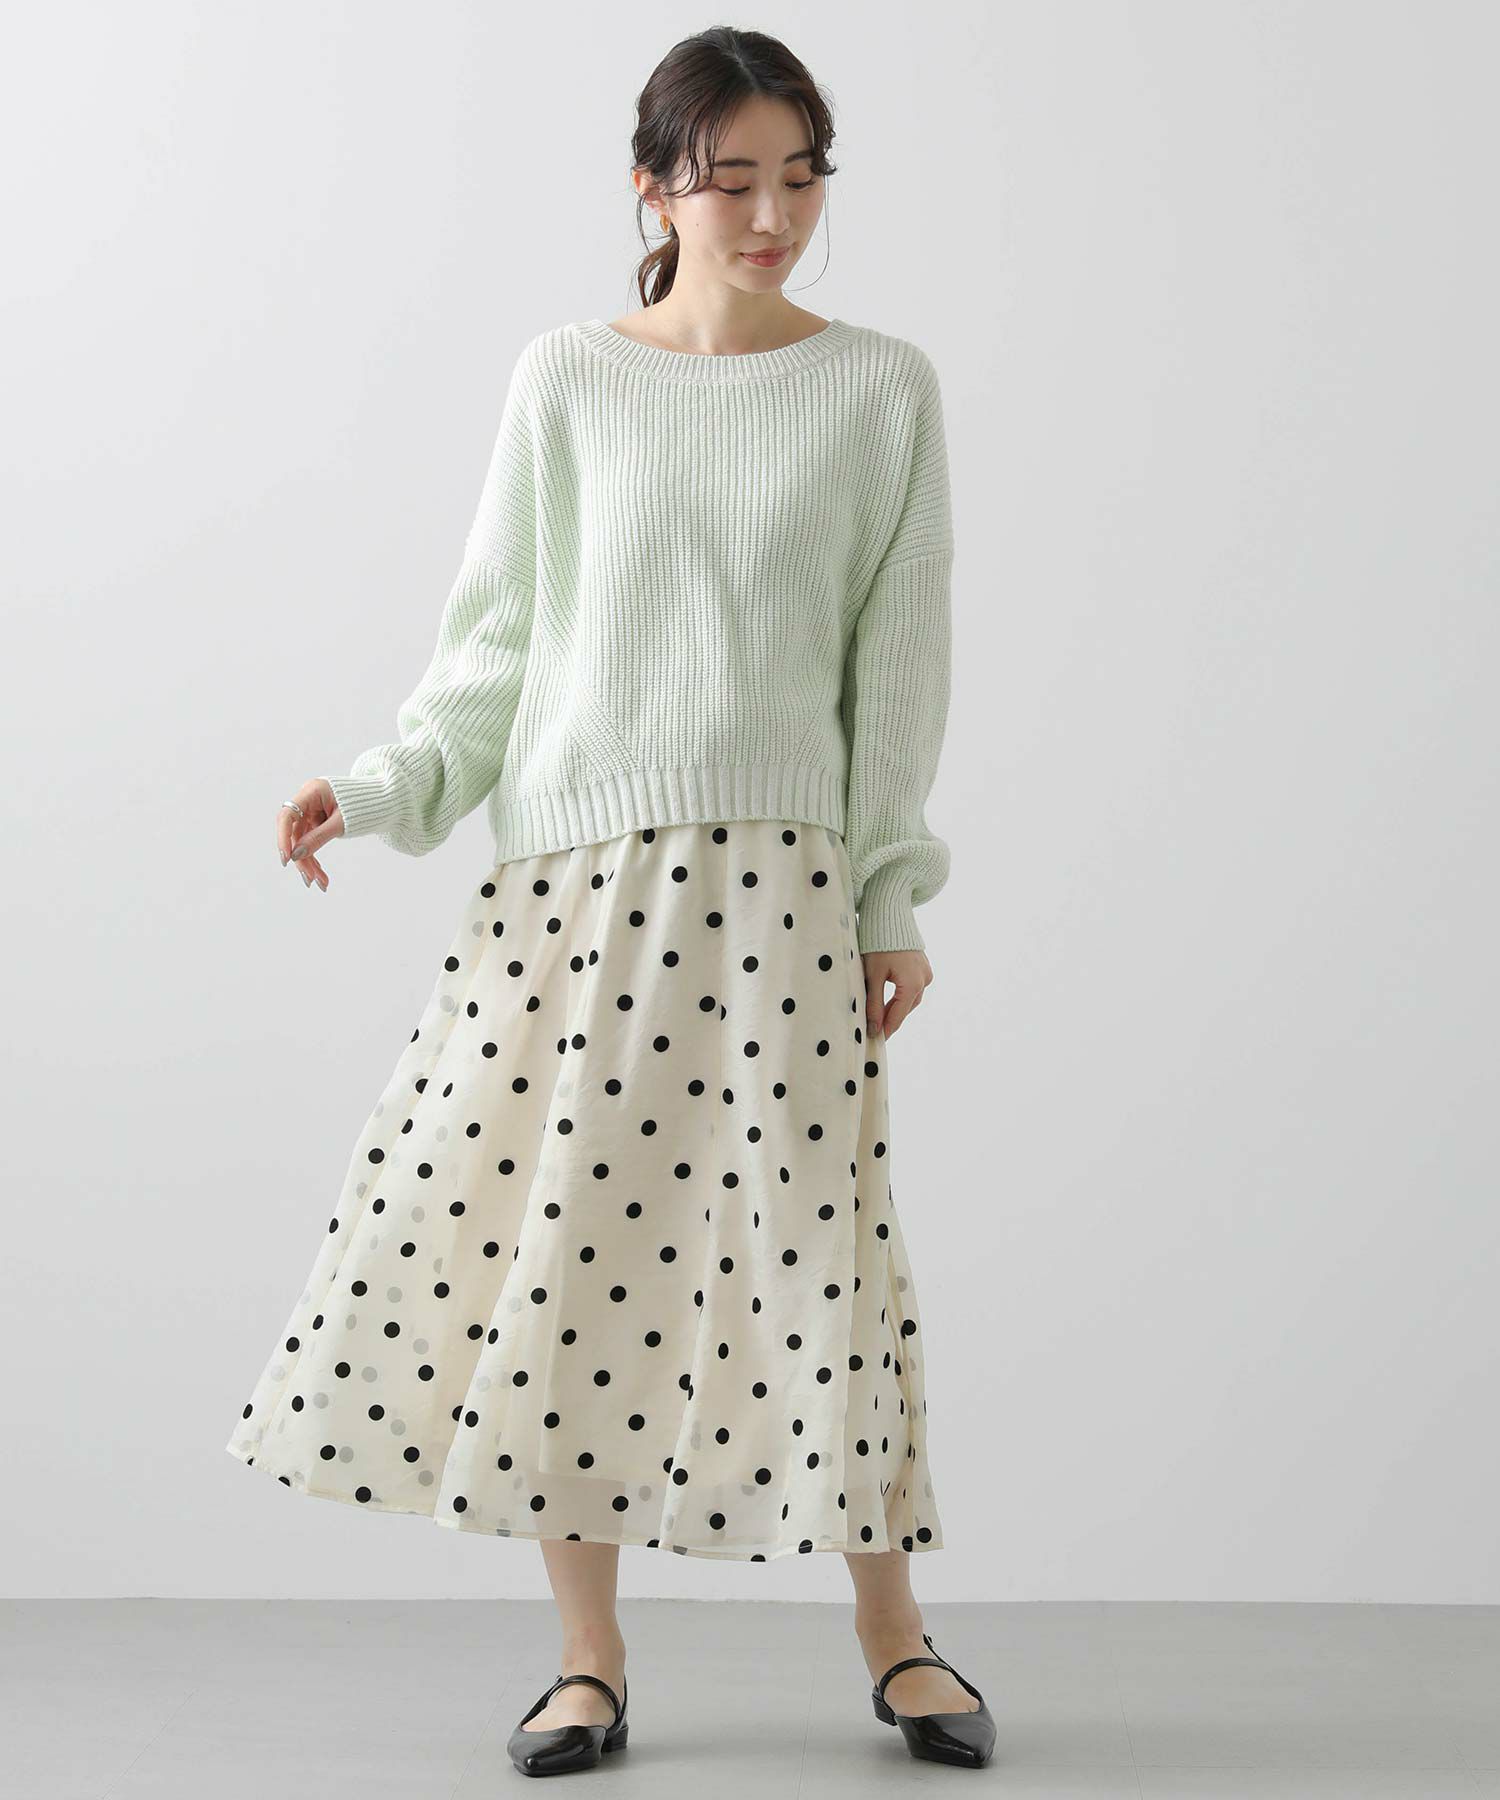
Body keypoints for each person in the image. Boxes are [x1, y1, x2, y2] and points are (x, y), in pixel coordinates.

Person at [224, 24, 994, 1777]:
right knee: (569, 1259)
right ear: (654, 188)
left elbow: (902, 664)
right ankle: (589, 1658)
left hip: (783, 893)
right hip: (572, 890)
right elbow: (496, 643)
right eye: (733, 181)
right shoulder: (568, 378)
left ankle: (895, 1634)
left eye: (801, 178)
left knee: (821, 1256)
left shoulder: (882, 390)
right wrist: (379, 787)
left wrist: (889, 893)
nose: (773, 216)